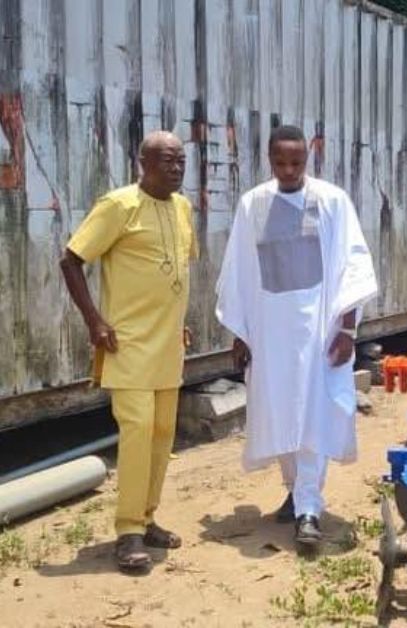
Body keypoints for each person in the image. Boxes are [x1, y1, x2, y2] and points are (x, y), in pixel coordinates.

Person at [215, 125, 379, 550]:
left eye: (296, 162)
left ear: (309, 159)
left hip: (320, 331)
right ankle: (294, 489)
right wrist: (242, 332)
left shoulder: (331, 201)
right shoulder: (254, 204)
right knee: (278, 412)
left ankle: (309, 507)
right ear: (269, 160)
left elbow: (352, 266)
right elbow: (240, 271)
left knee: (313, 415)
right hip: (271, 333)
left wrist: (347, 328)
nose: (288, 170)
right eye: (280, 163)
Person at [59, 131, 194, 573]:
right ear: (143, 163)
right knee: (136, 432)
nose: (176, 169)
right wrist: (95, 321)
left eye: (181, 161)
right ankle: (128, 532)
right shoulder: (118, 205)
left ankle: (148, 516)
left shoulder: (182, 208)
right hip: (127, 343)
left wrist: (180, 321)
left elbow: (174, 271)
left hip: (169, 344)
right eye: (166, 161)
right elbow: (71, 259)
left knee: (161, 435)